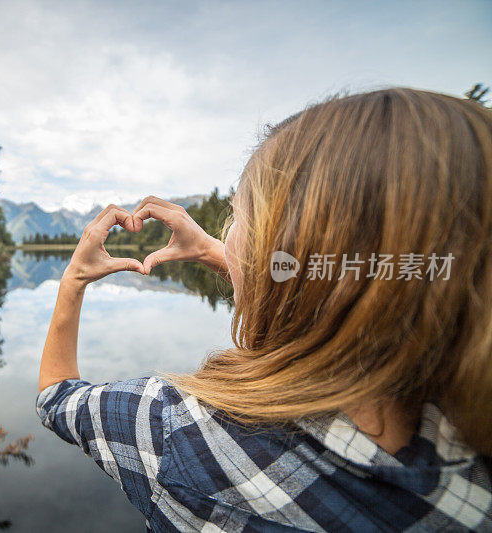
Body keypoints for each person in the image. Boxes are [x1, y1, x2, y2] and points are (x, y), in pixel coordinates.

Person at [36, 87, 492, 532]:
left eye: (237, 218)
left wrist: (74, 278)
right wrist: (221, 252)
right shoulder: (466, 433)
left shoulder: (175, 431)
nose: (227, 232)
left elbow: (56, 397)